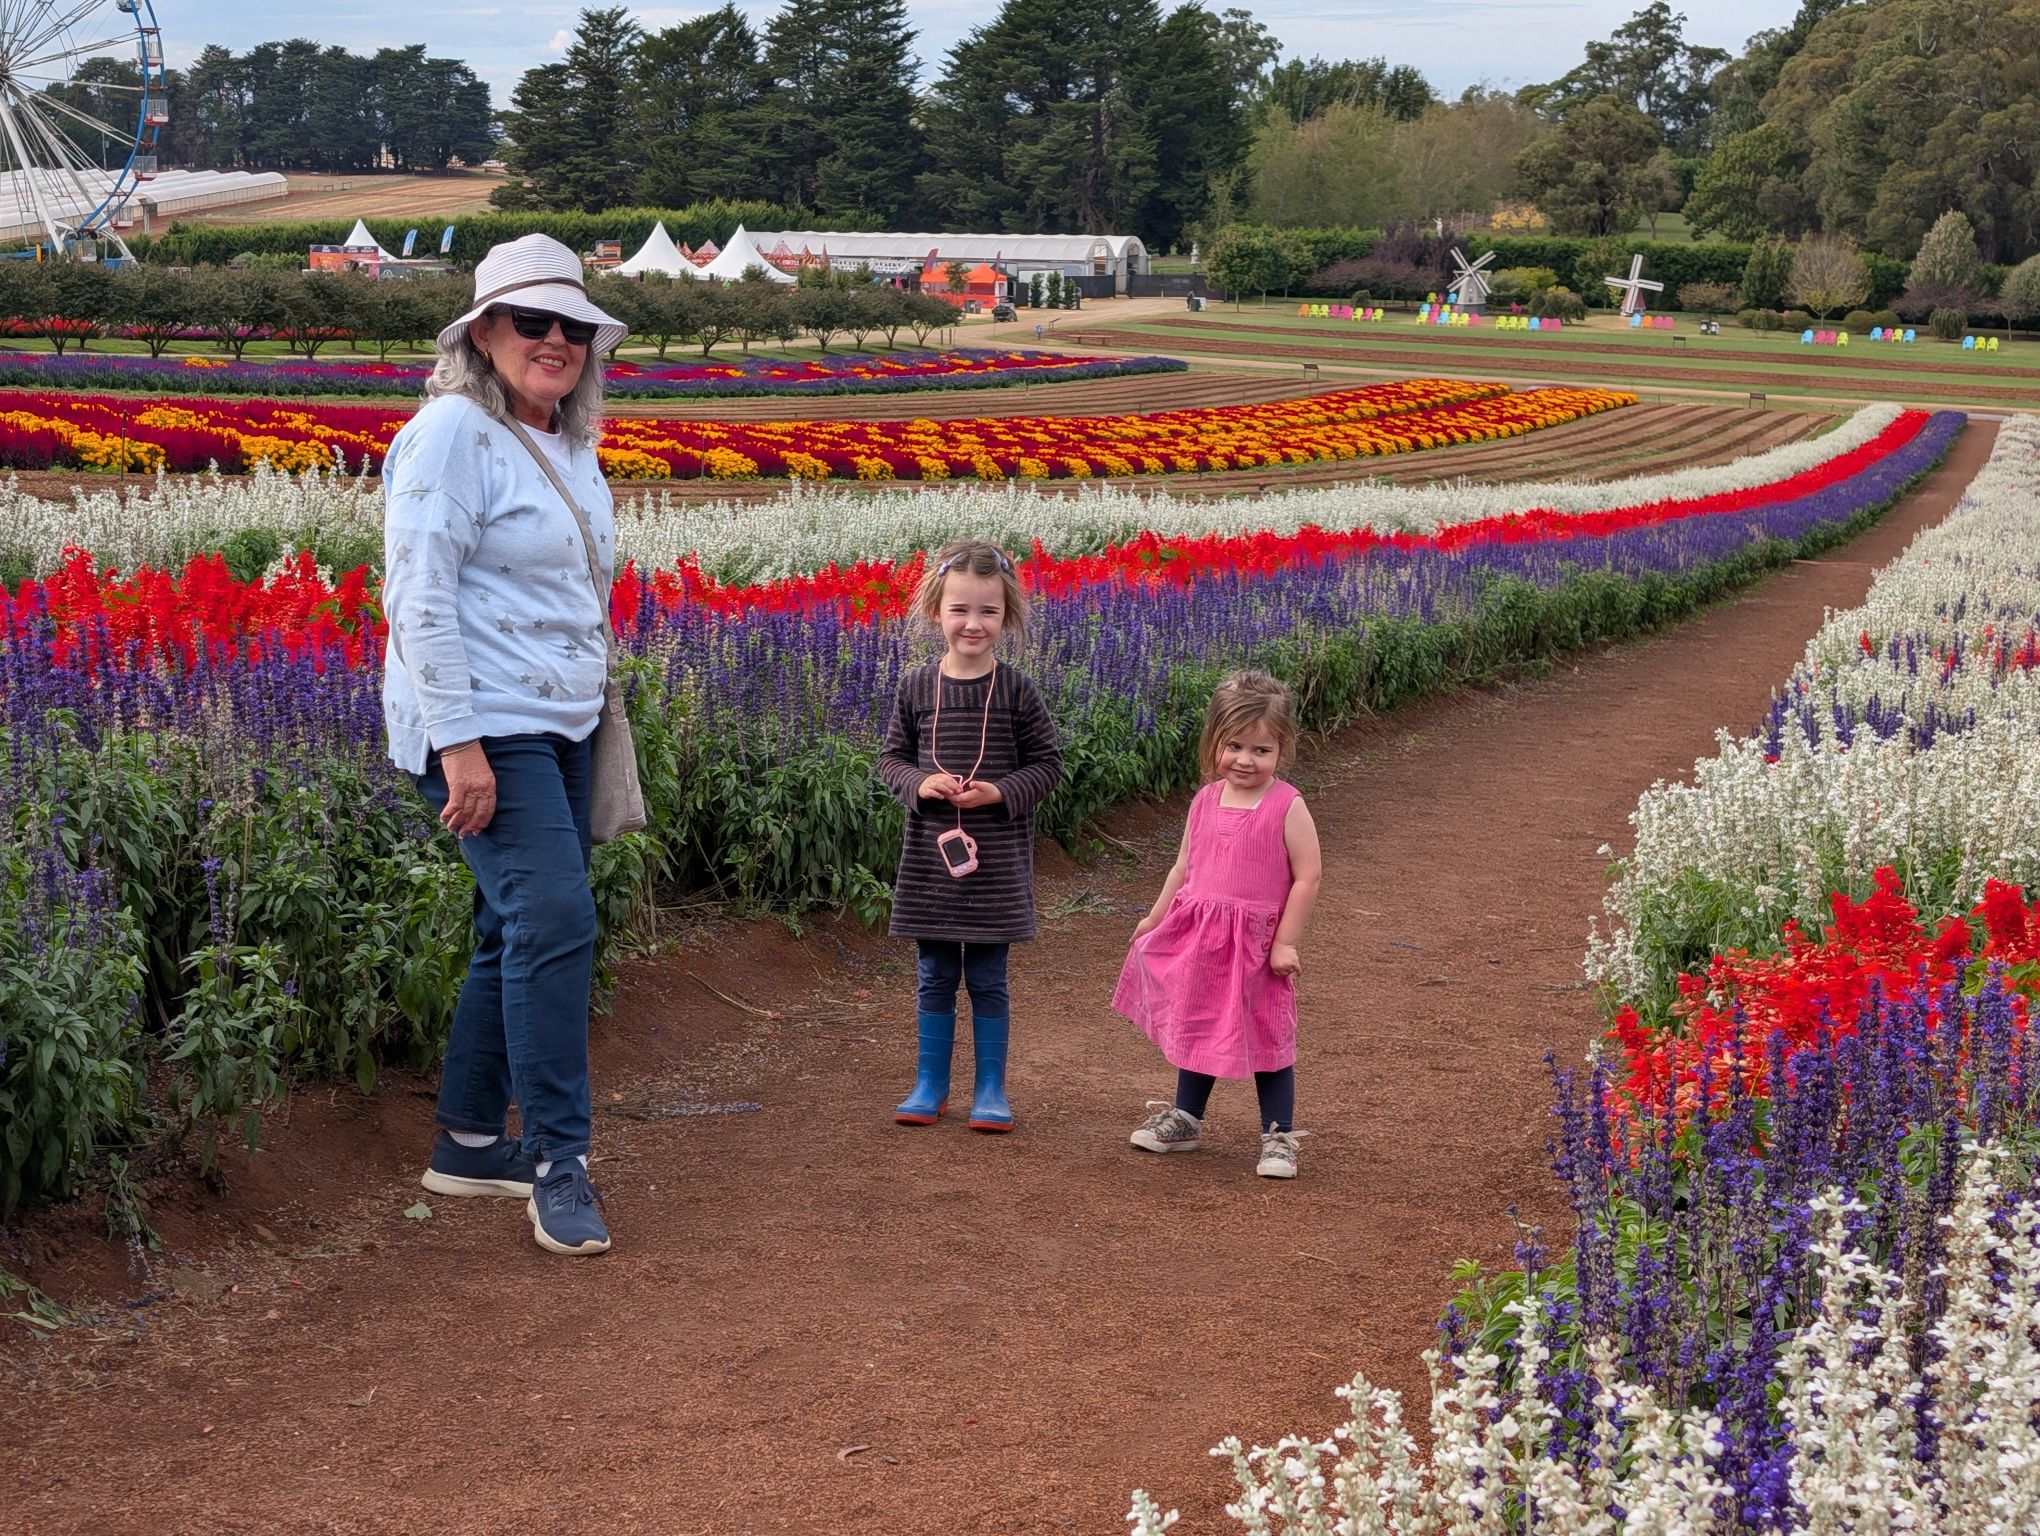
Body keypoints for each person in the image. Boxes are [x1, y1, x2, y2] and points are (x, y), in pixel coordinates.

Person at [380, 232, 629, 1256]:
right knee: (557, 919)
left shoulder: (570, 442)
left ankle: (471, 1140)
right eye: (534, 321)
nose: (556, 340)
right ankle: (558, 1159)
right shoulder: (450, 434)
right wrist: (461, 747)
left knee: (510, 925)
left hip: (562, 721)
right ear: (483, 333)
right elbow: (419, 594)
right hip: (486, 725)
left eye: (572, 324)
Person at [878, 540, 1063, 1132]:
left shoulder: (1016, 691)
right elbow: (889, 760)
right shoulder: (915, 687)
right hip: (932, 869)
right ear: (937, 611)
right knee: (934, 973)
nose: (973, 623)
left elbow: (1048, 765)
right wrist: (921, 783)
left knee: (986, 976)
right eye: (960, 610)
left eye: (987, 611)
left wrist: (1001, 792)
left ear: (1006, 616)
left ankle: (990, 1088)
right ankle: (930, 1084)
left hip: (996, 867)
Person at [1114, 671, 1323, 1178]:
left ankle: (1278, 1137)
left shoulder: (1286, 805)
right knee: (1199, 1021)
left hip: (1255, 946)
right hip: (1201, 938)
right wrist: (1154, 917)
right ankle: (1187, 1117)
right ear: (1214, 743)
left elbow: (1308, 876)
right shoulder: (1205, 801)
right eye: (1234, 746)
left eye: (1261, 750)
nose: (1246, 760)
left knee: (1267, 1037)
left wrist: (1285, 943)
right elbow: (1183, 867)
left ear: (1282, 750)